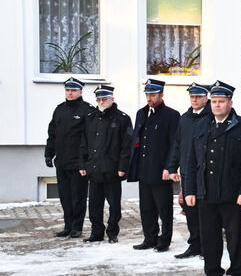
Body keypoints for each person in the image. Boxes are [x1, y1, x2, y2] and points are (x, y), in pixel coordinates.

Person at [182, 80, 241, 276]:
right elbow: (191, 160)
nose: (216, 105)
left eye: (221, 101)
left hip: (232, 193)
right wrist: (190, 190)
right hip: (206, 191)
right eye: (214, 101)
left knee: (234, 238)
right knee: (209, 237)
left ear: (230, 102)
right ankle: (212, 275)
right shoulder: (201, 125)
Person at [128, 79, 180, 252]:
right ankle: (149, 238)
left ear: (161, 95)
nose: (149, 98)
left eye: (153, 94)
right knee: (146, 207)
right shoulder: (141, 113)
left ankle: (164, 240)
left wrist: (170, 167)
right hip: (144, 169)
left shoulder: (171, 115)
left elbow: (174, 144)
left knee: (164, 209)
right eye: (147, 94)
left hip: (160, 170)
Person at [78, 85, 133, 243]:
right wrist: (82, 164)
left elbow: (126, 146)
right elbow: (84, 143)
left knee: (114, 205)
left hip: (112, 170)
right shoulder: (90, 118)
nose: (102, 102)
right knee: (94, 205)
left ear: (112, 99)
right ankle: (96, 232)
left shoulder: (122, 118)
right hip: (94, 169)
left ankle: (112, 232)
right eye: (99, 99)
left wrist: (123, 167)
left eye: (105, 99)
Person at [164, 82, 211, 259]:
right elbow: (177, 144)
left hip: (204, 171)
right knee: (189, 210)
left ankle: (207, 247)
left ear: (206, 98)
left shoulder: (210, 118)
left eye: (198, 96)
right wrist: (171, 166)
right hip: (187, 170)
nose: (195, 99)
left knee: (203, 211)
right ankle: (194, 244)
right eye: (192, 96)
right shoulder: (185, 118)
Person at [45, 77, 95, 238]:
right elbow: (52, 133)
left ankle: (77, 226)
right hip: (62, 160)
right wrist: (49, 153)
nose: (70, 93)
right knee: (65, 196)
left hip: (78, 162)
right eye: (68, 90)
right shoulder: (59, 110)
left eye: (73, 90)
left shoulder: (87, 110)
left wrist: (86, 160)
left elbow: (90, 138)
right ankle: (68, 225)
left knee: (78, 195)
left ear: (80, 92)